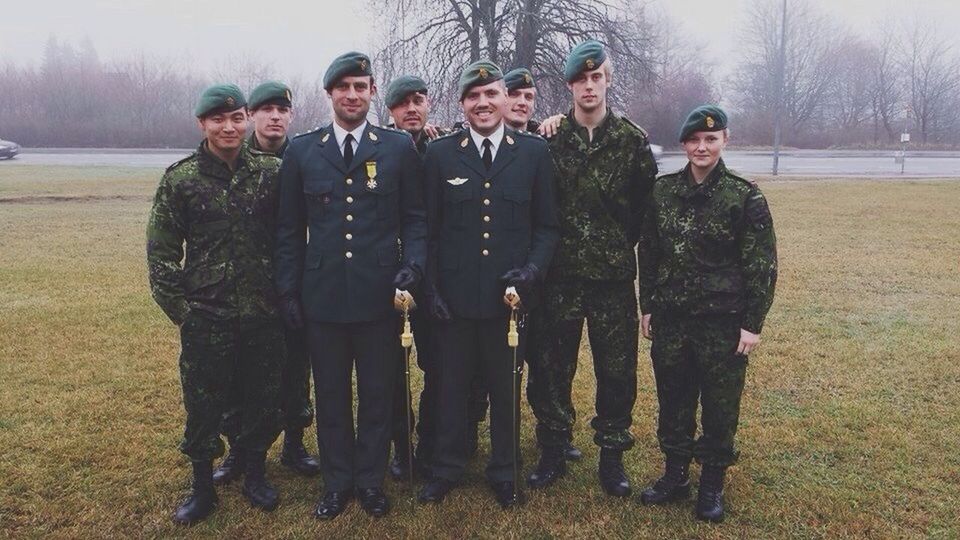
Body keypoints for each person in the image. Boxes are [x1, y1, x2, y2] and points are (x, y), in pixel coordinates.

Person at [274, 51, 427, 520]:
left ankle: (371, 480)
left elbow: (416, 220)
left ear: (373, 92)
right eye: (344, 88)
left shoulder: (398, 147)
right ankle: (338, 483)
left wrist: (413, 267)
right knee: (333, 395)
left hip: (380, 296)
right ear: (330, 95)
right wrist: (289, 291)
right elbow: (287, 231)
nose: (353, 95)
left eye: (361, 87)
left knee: (379, 395)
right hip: (322, 298)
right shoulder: (303, 150)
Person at [417, 60, 559, 509]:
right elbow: (429, 230)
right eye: (473, 96)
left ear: (504, 98)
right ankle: (446, 468)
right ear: (462, 103)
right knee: (451, 388)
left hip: (508, 302)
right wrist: (432, 291)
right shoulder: (440, 155)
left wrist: (532, 273)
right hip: (454, 302)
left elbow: (547, 227)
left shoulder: (534, 153)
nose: (483, 103)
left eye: (491, 94)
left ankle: (504, 469)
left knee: (505, 391)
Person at [525, 40, 658, 497]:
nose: (588, 86)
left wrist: (616, 247)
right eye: (580, 79)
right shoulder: (548, 139)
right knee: (551, 368)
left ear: (608, 80)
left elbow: (645, 209)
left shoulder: (631, 140)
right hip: (559, 278)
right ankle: (553, 450)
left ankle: (612, 457)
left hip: (611, 280)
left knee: (616, 371)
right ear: (569, 85)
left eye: (596, 77)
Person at [147, 84, 284, 524]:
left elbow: (291, 238)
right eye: (218, 120)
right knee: (205, 405)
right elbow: (162, 254)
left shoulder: (271, 173)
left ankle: (254, 472)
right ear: (202, 124)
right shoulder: (181, 179)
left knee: (263, 397)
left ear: (247, 120)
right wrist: (184, 314)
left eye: (236, 118)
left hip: (264, 312)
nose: (229, 127)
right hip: (208, 316)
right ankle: (203, 486)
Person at [637, 105, 777, 523]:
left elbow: (761, 264)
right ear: (684, 144)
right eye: (695, 140)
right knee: (674, 399)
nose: (702, 147)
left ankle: (712, 481)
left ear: (724, 141)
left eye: (711, 139)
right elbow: (650, 251)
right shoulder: (662, 192)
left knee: (719, 406)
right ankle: (676, 473)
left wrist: (753, 323)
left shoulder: (744, 195)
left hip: (722, 323)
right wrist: (647, 306)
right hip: (673, 321)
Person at [213, 80, 321, 487]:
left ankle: (294, 443)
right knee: (239, 372)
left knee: (296, 367)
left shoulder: (308, 156)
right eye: (266, 109)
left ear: (291, 115)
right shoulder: (233, 160)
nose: (275, 116)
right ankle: (239, 449)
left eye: (282, 110)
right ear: (251, 115)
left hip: (297, 284)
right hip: (246, 287)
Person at [382, 74, 448, 480]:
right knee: (392, 372)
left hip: (437, 280)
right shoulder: (381, 151)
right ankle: (401, 447)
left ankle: (430, 443)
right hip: (392, 280)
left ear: (428, 105)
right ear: (390, 111)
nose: (412, 108)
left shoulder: (444, 150)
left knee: (439, 368)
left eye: (418, 100)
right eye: (403, 102)